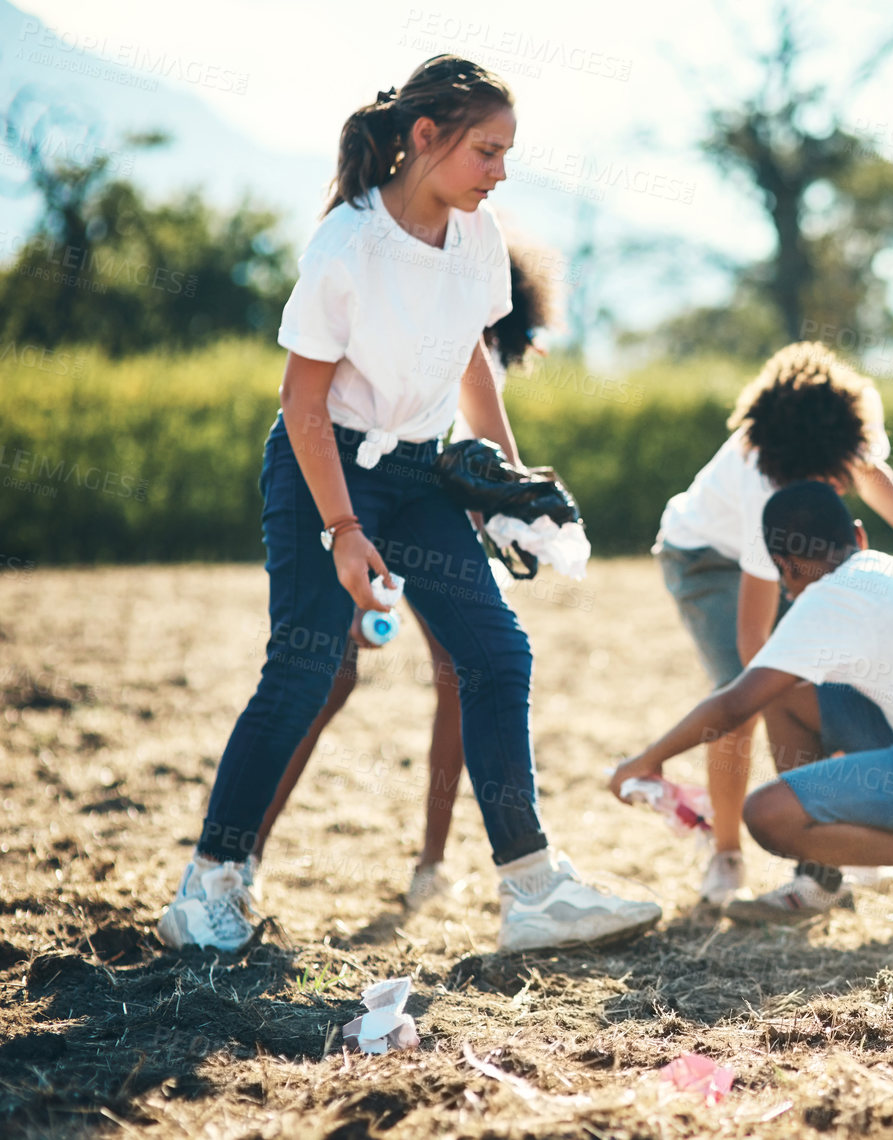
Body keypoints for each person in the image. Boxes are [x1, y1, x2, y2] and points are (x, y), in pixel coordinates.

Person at [158, 55, 659, 955]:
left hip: (425, 474)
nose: (501, 170)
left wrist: (508, 480)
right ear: (424, 138)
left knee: (496, 656)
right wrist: (344, 531)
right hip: (328, 466)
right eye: (486, 151)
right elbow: (302, 403)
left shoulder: (476, 232)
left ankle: (533, 888)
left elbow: (470, 351)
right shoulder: (345, 247)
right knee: (304, 672)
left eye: (507, 153)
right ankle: (211, 885)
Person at [249, 245, 554, 911]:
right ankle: (251, 852)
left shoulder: (470, 325)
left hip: (422, 511)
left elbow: (474, 448)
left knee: (449, 665)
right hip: (377, 498)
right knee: (351, 672)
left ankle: (428, 862)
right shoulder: (441, 311)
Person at [614, 482, 893, 923]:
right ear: (859, 536)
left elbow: (735, 703)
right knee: (785, 692)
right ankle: (821, 879)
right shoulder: (891, 572)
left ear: (784, 565)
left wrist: (645, 761)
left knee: (768, 815)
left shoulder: (829, 597)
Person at [651, 342, 893, 906]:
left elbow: (868, 470)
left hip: (787, 553)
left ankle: (833, 852)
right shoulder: (767, 489)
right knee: (740, 696)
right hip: (704, 559)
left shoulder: (840, 437)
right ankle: (725, 854)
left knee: (831, 687)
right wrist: (771, 688)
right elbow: (753, 643)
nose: (833, 487)